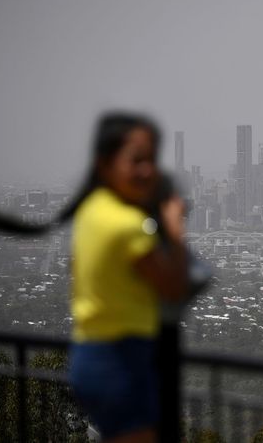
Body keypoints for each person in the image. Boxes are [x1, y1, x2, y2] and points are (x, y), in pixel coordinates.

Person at [65, 112, 188, 443]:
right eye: (136, 160)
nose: (147, 170)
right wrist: (175, 228)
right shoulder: (126, 225)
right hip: (120, 364)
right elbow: (174, 286)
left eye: (150, 160)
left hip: (88, 355)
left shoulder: (92, 210)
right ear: (104, 164)